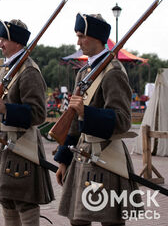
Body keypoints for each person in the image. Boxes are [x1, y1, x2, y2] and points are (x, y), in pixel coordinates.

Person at [54, 13, 141, 225]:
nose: (78, 41)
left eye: (82, 36)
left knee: (110, 221)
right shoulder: (84, 72)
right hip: (83, 156)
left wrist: (86, 112)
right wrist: (64, 159)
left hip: (108, 158)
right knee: (77, 221)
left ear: (96, 37)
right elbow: (74, 123)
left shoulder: (113, 72)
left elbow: (122, 120)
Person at [0, 19, 54, 226]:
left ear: (17, 42)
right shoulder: (8, 69)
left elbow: (38, 114)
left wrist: (7, 109)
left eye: (4, 39)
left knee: (25, 202)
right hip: (3, 144)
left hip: (22, 146)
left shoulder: (29, 71)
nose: (0, 44)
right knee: (7, 201)